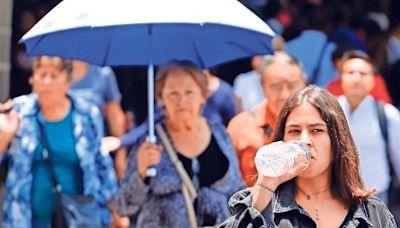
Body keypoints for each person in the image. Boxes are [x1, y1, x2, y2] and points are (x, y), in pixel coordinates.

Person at [219, 85, 397, 227]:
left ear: (336, 140)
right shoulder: (261, 203)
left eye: (316, 130)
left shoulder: (372, 213)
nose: (304, 140)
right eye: (294, 131)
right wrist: (264, 189)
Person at [112, 61, 244, 227]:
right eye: (173, 93)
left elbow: (238, 191)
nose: (182, 101)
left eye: (189, 92)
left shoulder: (220, 134)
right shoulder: (150, 141)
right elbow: (123, 206)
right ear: (161, 97)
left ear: (203, 96)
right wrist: (140, 174)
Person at [0, 56, 118, 227]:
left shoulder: (86, 114)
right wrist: (5, 135)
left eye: (54, 75)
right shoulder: (19, 112)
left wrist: (114, 211)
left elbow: (102, 165)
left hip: (78, 218)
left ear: (68, 81)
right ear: (32, 79)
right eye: (42, 74)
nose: (47, 81)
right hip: (26, 218)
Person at [227, 52, 306, 186]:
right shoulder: (241, 126)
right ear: (263, 87)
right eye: (275, 86)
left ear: (304, 82)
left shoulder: (321, 124)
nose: (284, 94)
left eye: (292, 85)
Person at [337, 50, 400, 204]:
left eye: (363, 73)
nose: (357, 78)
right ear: (341, 78)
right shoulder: (328, 111)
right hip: (335, 196)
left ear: (373, 80)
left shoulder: (387, 114)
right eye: (350, 72)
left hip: (376, 198)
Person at [70, 60, 127, 180]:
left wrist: (121, 154)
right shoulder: (56, 72)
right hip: (64, 152)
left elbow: (115, 117)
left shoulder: (103, 72)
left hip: (96, 153)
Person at [326, 46, 392, 104]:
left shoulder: (376, 80)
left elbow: (384, 102)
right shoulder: (332, 86)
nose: (356, 79)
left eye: (362, 73)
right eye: (351, 72)